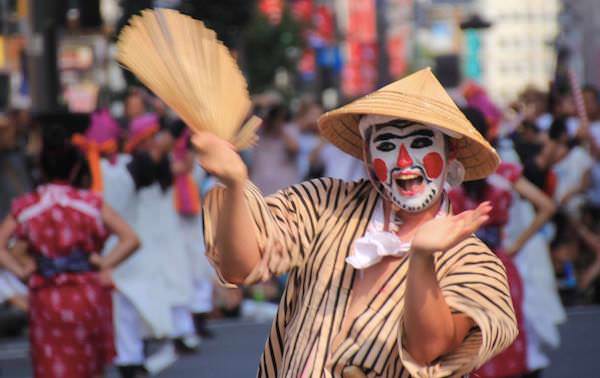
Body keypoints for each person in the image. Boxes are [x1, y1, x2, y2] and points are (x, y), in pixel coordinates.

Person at [194, 68, 518, 376]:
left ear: (451, 152)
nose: (404, 162)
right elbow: (240, 266)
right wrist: (235, 184)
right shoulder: (325, 204)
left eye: (420, 144)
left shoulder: (472, 261)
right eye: (387, 146)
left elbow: (429, 350)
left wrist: (421, 259)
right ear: (366, 154)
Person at [0, 121, 139, 378]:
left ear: (40, 168)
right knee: (90, 368)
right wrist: (103, 263)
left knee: (52, 366)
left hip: (45, 296)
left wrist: (22, 272)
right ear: (76, 167)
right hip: (87, 294)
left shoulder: (28, 206)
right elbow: (130, 239)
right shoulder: (89, 203)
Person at [451, 107, 561, 377]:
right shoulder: (502, 170)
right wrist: (516, 246)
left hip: (459, 271)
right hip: (499, 264)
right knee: (504, 344)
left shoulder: (446, 176)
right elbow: (546, 206)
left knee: (468, 350)